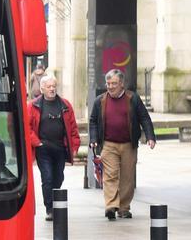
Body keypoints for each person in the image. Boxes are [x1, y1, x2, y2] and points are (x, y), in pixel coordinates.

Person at [88, 69, 156, 221]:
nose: (110, 86)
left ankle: (124, 208)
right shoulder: (100, 100)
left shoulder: (133, 99)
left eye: (114, 83)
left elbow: (144, 118)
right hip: (109, 144)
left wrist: (150, 137)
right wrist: (93, 138)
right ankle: (111, 206)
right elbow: (93, 121)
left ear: (122, 84)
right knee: (110, 175)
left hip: (128, 145)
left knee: (127, 178)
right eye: (108, 83)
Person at [27, 75, 80, 222]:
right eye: (49, 86)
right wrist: (37, 143)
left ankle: (55, 203)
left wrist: (74, 146)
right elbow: (27, 127)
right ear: (42, 88)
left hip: (60, 148)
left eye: (54, 86)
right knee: (47, 177)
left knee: (58, 177)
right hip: (43, 148)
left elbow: (73, 128)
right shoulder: (33, 105)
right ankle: (49, 208)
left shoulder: (65, 105)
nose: (52, 89)